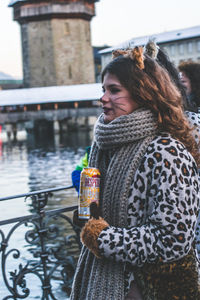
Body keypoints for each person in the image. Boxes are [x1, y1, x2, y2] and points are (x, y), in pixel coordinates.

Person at [70, 46, 200, 300]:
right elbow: (97, 210)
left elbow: (173, 239)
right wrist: (90, 216)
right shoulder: (104, 144)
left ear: (143, 93)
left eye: (114, 90)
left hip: (152, 287)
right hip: (111, 280)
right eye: (103, 90)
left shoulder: (166, 151)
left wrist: (103, 238)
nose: (104, 98)